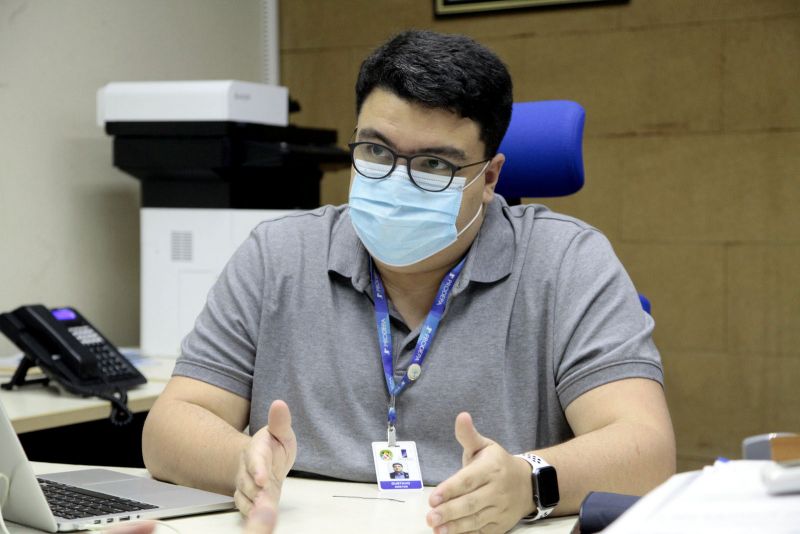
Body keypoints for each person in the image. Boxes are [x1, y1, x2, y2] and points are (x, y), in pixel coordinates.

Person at [142, 29, 675, 534]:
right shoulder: (278, 253)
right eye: (375, 151)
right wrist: (243, 461)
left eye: (433, 163)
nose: (397, 181)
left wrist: (528, 481)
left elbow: (645, 448)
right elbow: (171, 429)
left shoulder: (566, 261)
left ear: (489, 178)